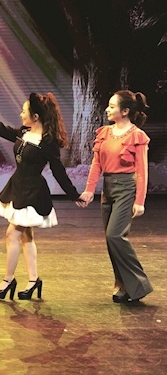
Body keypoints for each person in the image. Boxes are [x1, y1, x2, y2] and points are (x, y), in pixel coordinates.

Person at [0, 93, 84, 299]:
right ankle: (33, 280)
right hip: (18, 187)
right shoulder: (25, 133)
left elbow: (58, 171)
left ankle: (8, 280)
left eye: (24, 111)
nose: (20, 114)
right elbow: (1, 128)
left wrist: (74, 195)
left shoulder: (48, 142)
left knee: (12, 235)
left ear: (35, 116)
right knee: (27, 236)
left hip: (32, 192)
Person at [79, 90, 153, 303]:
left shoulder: (137, 136)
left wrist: (140, 201)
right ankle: (121, 284)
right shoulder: (104, 132)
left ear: (125, 111)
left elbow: (142, 171)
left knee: (115, 235)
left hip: (126, 188)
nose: (107, 110)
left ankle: (139, 284)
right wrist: (89, 190)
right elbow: (96, 164)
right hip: (108, 187)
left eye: (112, 106)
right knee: (111, 240)